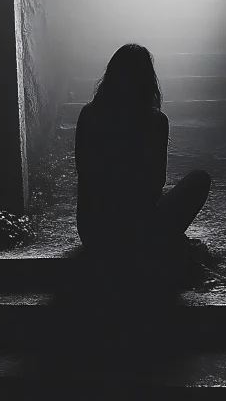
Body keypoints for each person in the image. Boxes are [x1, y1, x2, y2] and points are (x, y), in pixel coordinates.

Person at [75, 43, 213, 289]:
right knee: (200, 179)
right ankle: (154, 246)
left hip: (93, 230)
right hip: (139, 231)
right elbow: (154, 184)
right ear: (147, 80)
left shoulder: (89, 114)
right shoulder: (155, 121)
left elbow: (84, 174)